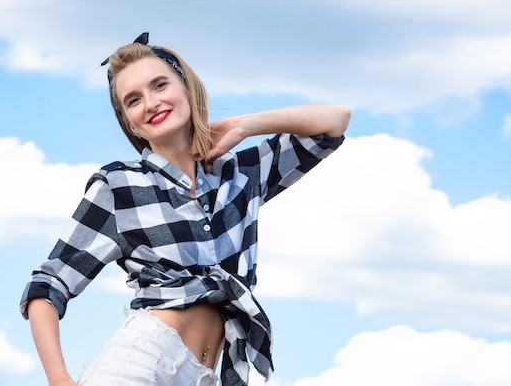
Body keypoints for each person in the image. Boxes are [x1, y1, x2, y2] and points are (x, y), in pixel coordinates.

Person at [20, 32, 351, 386]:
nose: (150, 103)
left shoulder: (241, 176)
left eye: (160, 85)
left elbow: (334, 122)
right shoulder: (119, 186)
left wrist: (246, 125)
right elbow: (48, 284)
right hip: (139, 366)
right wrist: (59, 379)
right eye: (133, 100)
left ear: (188, 90)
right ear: (131, 123)